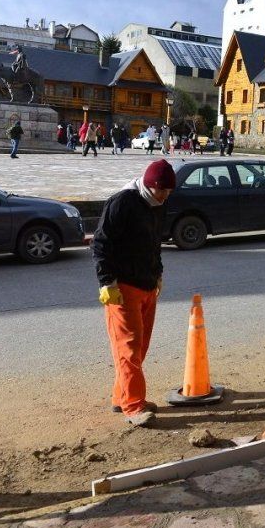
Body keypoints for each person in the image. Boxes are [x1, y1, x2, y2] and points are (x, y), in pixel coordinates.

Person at [91, 159, 175, 427]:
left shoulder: (158, 205)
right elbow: (101, 244)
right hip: (123, 287)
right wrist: (107, 282)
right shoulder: (122, 202)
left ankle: (123, 396)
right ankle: (134, 406)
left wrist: (158, 273)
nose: (165, 197)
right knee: (128, 348)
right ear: (150, 186)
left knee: (139, 348)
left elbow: (154, 242)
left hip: (147, 284)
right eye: (162, 191)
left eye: (169, 192)